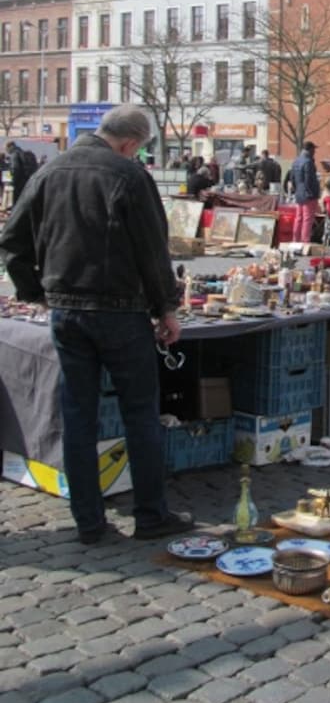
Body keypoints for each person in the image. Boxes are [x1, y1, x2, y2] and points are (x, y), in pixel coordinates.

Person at [0, 105, 192, 544]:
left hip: (67, 309)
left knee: (78, 416)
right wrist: (167, 307)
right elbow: (152, 250)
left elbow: (12, 240)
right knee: (140, 414)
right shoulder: (128, 175)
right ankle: (149, 515)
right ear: (130, 143)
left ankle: (89, 521)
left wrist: (35, 291)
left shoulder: (50, 171)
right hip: (119, 310)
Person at [290, 140, 321, 243]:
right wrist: (313, 193)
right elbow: (309, 180)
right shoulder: (308, 162)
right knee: (307, 219)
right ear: (310, 149)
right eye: (314, 149)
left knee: (299, 218)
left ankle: (296, 240)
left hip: (299, 193)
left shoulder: (296, 161)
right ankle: (305, 241)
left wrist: (296, 189)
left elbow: (292, 178)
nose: (315, 152)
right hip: (308, 194)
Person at [5, 141, 33, 206]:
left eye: (6, 148)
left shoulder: (14, 154)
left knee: (16, 201)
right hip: (24, 180)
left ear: (10, 147)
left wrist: (10, 181)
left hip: (18, 182)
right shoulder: (21, 151)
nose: (6, 150)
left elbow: (14, 169)